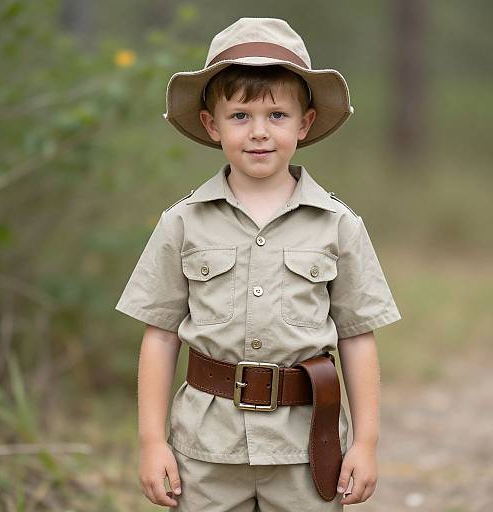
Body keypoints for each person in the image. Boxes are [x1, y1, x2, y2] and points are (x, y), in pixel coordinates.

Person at [115, 17, 401, 511]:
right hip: (205, 449)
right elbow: (159, 336)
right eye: (241, 115)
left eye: (277, 116)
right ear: (212, 123)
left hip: (306, 448)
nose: (259, 133)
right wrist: (151, 441)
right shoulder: (182, 223)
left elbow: (357, 335)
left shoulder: (338, 225)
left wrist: (367, 442)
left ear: (305, 122)